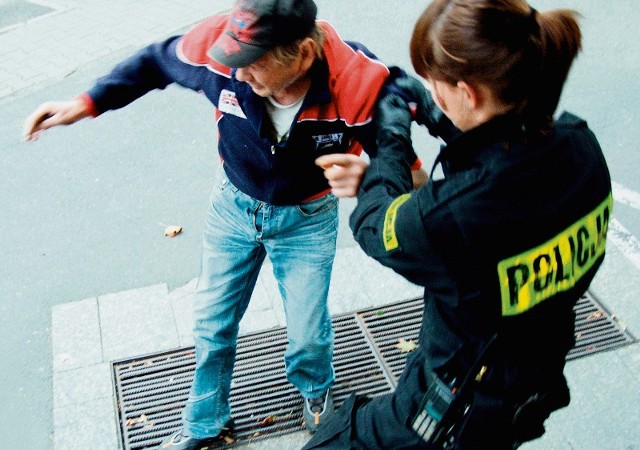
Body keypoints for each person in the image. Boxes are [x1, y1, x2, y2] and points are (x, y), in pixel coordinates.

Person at [23, 0, 428, 448]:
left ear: (303, 55)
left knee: (308, 334)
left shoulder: (358, 83)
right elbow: (156, 61)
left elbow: (411, 176)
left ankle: (316, 390)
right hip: (233, 207)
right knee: (212, 325)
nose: (238, 74)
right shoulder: (220, 51)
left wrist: (370, 178)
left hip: (307, 220)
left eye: (252, 65)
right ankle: (203, 422)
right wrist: (87, 102)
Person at [304, 0, 612, 448]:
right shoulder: (580, 148)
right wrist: (440, 120)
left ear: (470, 94)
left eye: (436, 85)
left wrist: (390, 141)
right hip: (529, 382)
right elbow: (510, 169)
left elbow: (377, 226)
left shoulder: (454, 215)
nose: (433, 92)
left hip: (452, 407)